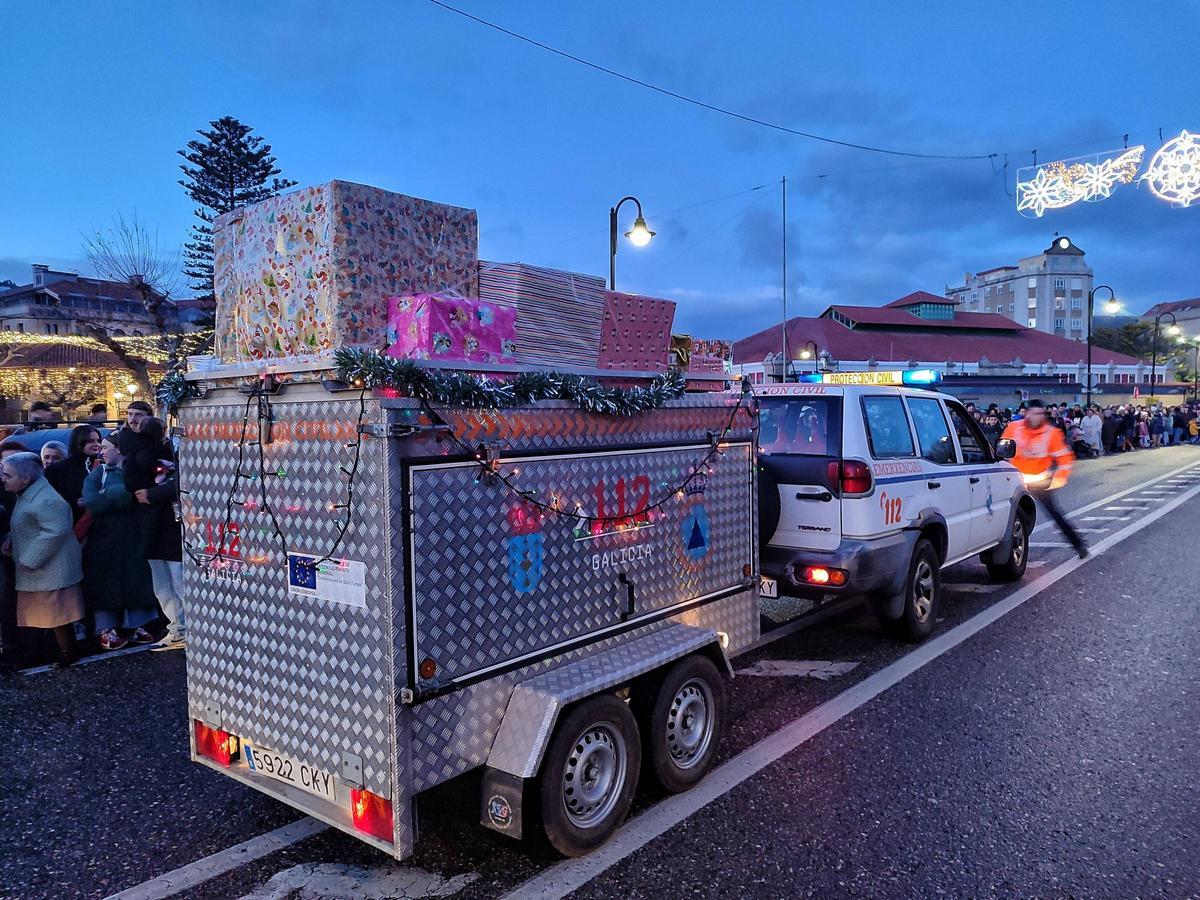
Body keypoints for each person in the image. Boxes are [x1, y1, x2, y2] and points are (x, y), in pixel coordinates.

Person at [1, 452, 83, 667]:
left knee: (56, 614)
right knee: (42, 613)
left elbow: (55, 531)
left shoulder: (44, 499)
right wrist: (12, 537)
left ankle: (67, 653)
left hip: (49, 567)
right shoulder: (30, 494)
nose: (3, 479)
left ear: (25, 479)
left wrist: (29, 559)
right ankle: (42, 653)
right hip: (42, 568)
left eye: (8, 475)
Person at [82, 436, 159, 650]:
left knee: (135, 578)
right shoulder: (99, 473)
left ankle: (135, 625)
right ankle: (107, 629)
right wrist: (118, 496)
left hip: (133, 533)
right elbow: (93, 502)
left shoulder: (133, 472)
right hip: (104, 536)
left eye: (106, 447)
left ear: (120, 450)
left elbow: (131, 496)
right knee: (105, 581)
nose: (102, 452)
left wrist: (110, 494)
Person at [1000, 399, 1086, 559]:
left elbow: (1065, 458)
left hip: (1040, 480)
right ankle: (1008, 551)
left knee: (1055, 515)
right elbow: (1003, 449)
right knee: (1007, 515)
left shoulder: (1051, 433)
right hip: (1016, 480)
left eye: (1041, 413)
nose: (1038, 417)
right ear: (1027, 413)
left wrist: (1060, 477)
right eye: (1035, 413)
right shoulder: (1014, 428)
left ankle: (1078, 544)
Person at [128, 418, 185, 650]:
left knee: (164, 583)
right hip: (171, 524)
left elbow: (132, 487)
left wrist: (152, 493)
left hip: (151, 527)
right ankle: (184, 628)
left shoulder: (135, 457)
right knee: (178, 581)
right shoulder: (174, 451)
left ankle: (178, 628)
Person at [45, 425, 103, 524]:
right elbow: (49, 500)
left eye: (98, 441)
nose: (96, 444)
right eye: (90, 441)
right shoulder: (57, 470)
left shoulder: (103, 466)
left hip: (98, 524)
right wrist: (74, 503)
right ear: (79, 442)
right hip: (69, 524)